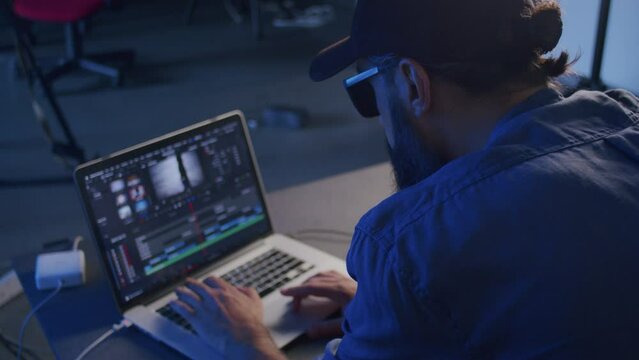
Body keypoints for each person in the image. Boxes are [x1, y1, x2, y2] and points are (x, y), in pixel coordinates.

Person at [170, 0, 639, 358]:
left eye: (370, 97)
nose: (378, 121)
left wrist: (245, 340)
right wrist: (406, 307)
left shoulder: (412, 246)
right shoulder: (628, 123)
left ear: (414, 85)